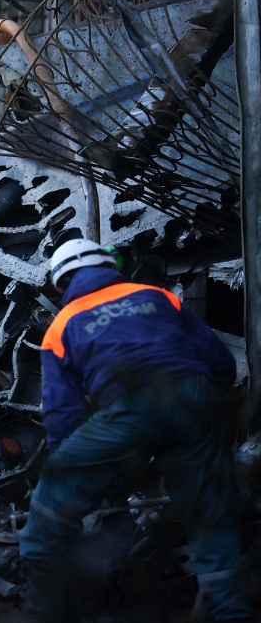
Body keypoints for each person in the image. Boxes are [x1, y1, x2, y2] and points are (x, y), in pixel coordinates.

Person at [20, 238, 252, 622]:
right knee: (212, 517)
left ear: (63, 283)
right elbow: (220, 363)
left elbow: (63, 412)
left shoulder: (61, 325)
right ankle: (233, 612)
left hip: (132, 405)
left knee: (54, 497)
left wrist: (71, 465)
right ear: (110, 268)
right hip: (194, 396)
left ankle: (43, 605)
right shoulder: (158, 296)